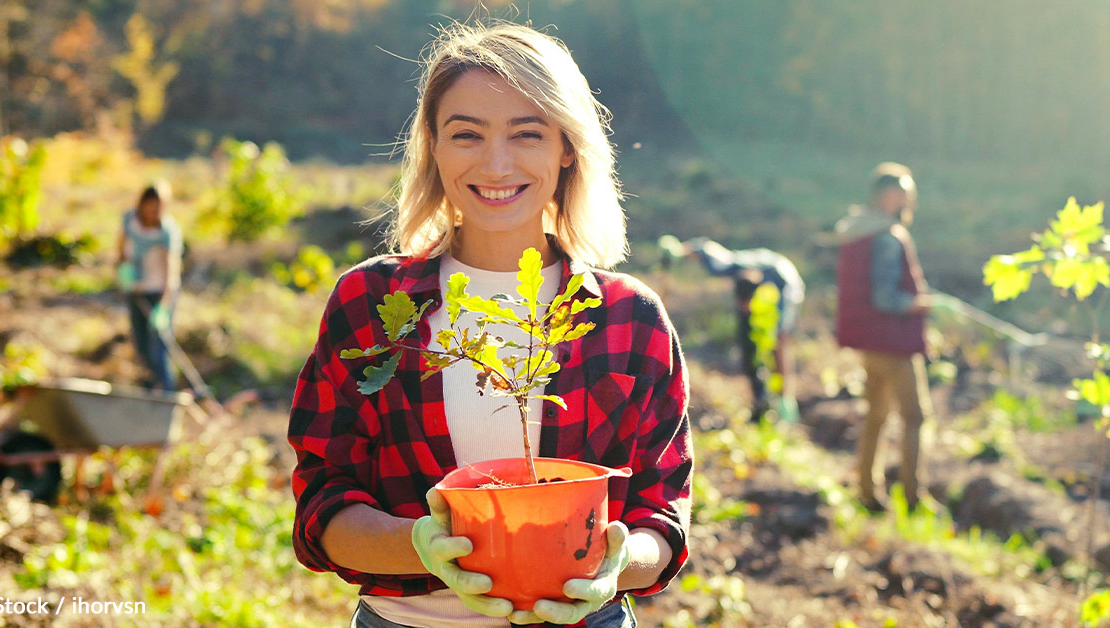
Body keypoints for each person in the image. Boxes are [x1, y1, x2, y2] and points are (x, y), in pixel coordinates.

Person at [288, 22, 692, 628]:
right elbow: (323, 503)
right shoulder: (370, 303)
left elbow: (660, 518)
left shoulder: (629, 320)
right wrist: (423, 546)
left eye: (527, 134)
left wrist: (611, 565)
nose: (496, 163)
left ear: (567, 148)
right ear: (434, 145)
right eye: (467, 134)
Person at [834, 162, 936, 512]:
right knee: (915, 416)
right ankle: (913, 496)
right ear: (891, 195)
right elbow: (886, 298)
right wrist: (923, 304)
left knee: (876, 415)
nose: (911, 198)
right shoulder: (888, 236)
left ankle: (867, 490)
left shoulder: (859, 231)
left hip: (870, 343)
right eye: (907, 191)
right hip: (895, 345)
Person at [663, 236, 804, 422]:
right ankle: (772, 400)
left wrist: (683, 249)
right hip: (779, 281)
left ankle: (784, 400)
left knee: (779, 342)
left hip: (786, 285)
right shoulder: (735, 266)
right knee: (764, 347)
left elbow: (707, 249)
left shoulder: (727, 266)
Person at [116, 181, 182, 391]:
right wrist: (123, 271)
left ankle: (167, 392)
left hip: (159, 292)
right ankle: (149, 389)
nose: (155, 213)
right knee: (142, 345)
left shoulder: (167, 231)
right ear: (143, 204)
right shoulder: (130, 220)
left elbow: (171, 272)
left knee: (159, 347)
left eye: (159, 209)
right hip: (136, 290)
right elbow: (121, 249)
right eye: (152, 207)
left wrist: (163, 307)